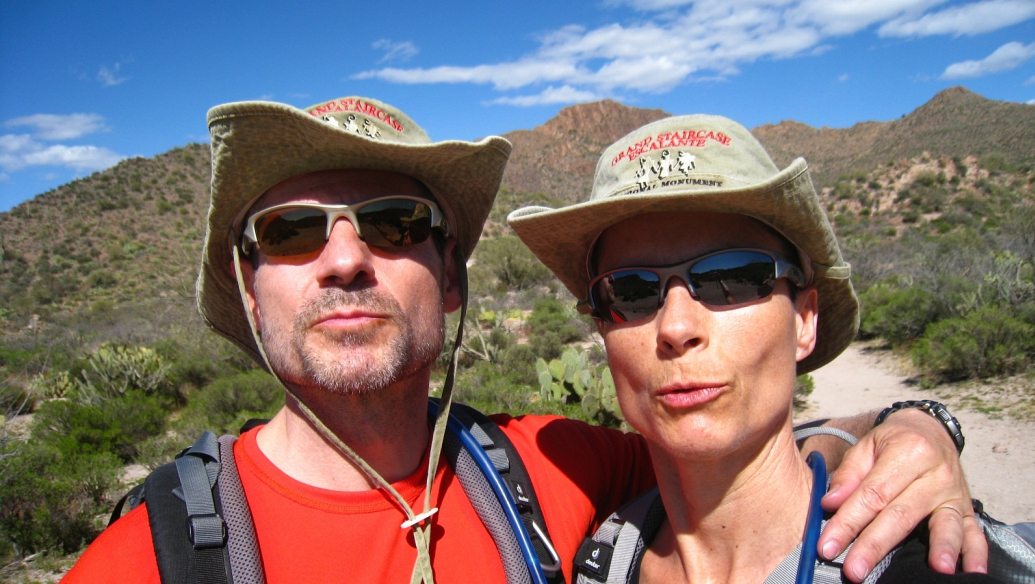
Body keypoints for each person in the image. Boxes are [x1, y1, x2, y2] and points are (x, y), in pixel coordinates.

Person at [63, 97, 982, 584]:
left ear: (452, 274)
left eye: (391, 222)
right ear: (248, 290)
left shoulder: (547, 469)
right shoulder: (161, 558)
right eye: (293, 233)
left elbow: (733, 453)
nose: (345, 259)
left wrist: (914, 424)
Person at [508, 114, 995, 583]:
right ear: (601, 328)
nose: (676, 327)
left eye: (732, 277)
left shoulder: (925, 564)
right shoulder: (597, 560)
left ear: (804, 320)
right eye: (630, 291)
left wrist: (918, 417)